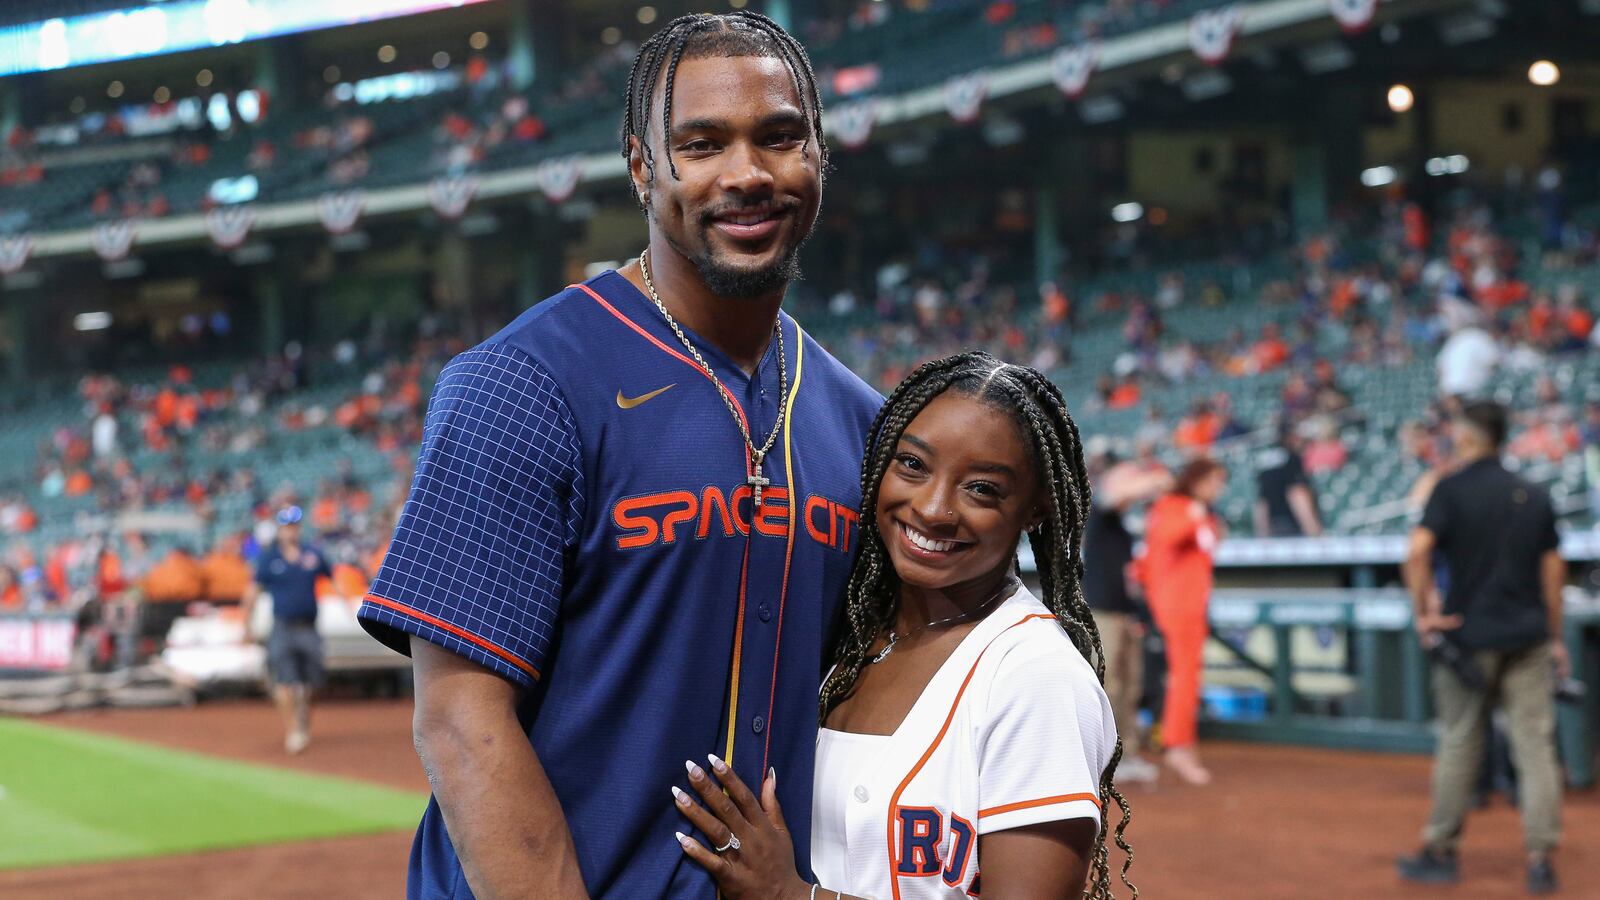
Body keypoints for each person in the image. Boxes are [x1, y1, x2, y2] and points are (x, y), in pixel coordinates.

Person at [355, 12, 881, 898]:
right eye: (702, 144)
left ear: (819, 156)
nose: (747, 174)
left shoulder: (860, 419)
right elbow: (457, 718)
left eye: (780, 138)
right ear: (642, 167)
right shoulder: (522, 383)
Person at [671, 354, 1132, 899]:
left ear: (1034, 509)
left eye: (982, 488)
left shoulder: (1037, 676)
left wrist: (790, 896)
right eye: (912, 465)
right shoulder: (848, 635)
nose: (934, 508)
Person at [1397, 401, 1566, 894]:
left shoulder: (1449, 490)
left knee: (1459, 740)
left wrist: (1425, 611)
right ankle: (1540, 859)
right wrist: (1555, 637)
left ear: (1468, 439)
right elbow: (1553, 573)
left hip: (1468, 637)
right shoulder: (1531, 493)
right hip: (1528, 636)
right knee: (1535, 745)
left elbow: (1415, 552)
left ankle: (1440, 850)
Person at [1085, 455, 1173, 783]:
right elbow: (1113, 496)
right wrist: (1152, 479)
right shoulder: (1100, 513)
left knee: (1131, 686)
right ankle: (1103, 760)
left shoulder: (1122, 525)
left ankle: (1128, 755)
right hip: (1103, 612)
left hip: (1123, 613)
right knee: (1109, 686)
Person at [1141, 457, 1227, 785]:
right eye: (1214, 481)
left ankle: (1181, 744)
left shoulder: (1196, 511)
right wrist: (1195, 515)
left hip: (1192, 603)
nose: (1218, 488)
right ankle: (1178, 747)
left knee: (1187, 676)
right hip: (1177, 604)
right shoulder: (1176, 505)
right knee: (1184, 676)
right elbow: (1168, 538)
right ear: (1198, 480)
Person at [242, 506, 333, 755]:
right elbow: (253, 591)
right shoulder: (270, 559)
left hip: (308, 627)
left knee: (311, 682)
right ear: (280, 530)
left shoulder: (312, 554)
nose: (290, 531)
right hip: (282, 626)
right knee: (283, 681)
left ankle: (302, 719)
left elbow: (333, 579)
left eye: (294, 526)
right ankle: (293, 729)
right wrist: (246, 624)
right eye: (286, 527)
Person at [1253, 427, 1323, 537]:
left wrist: (1263, 538)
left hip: (1274, 528)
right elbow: (1297, 495)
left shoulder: (1266, 462)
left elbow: (1262, 503)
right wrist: (1315, 533)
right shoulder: (1293, 460)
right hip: (1294, 529)